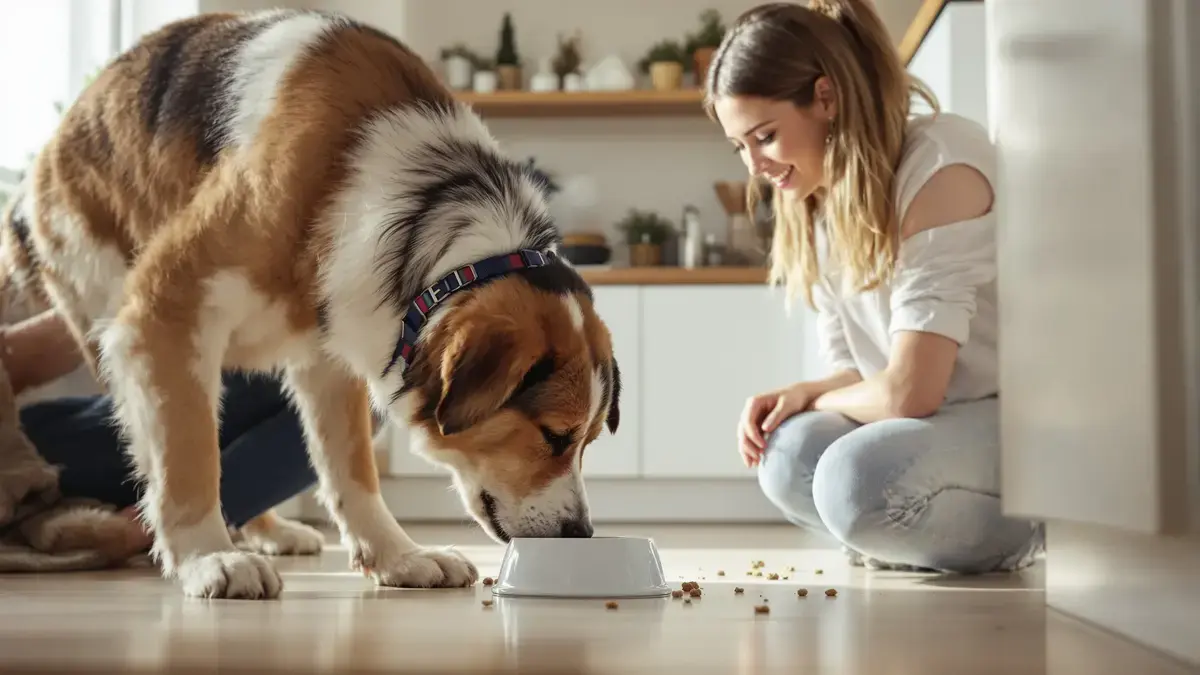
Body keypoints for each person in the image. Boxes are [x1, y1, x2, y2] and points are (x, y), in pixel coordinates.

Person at [707, 0, 1043, 573]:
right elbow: (863, 373)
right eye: (741, 146)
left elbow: (909, 392)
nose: (753, 167)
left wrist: (814, 399)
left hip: (1009, 415)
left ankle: (1023, 533)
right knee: (785, 457)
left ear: (826, 98)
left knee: (854, 478)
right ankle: (908, 536)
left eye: (765, 136)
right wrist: (801, 393)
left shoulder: (941, 166)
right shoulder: (818, 203)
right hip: (928, 422)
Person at [0, 307, 321, 557]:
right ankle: (170, 520)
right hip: (27, 454)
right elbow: (20, 356)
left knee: (318, 382)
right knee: (328, 394)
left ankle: (182, 517)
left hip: (55, 425)